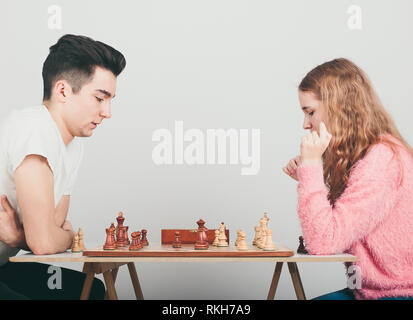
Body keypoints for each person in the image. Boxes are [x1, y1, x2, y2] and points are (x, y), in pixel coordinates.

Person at [0, 34, 126, 299]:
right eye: (100, 98)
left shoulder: (72, 145)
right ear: (62, 91)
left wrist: (19, 238)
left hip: (3, 266)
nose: (107, 112)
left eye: (110, 100)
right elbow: (46, 241)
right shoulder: (34, 129)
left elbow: (52, 227)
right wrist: (66, 237)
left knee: (90, 291)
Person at [283, 58, 413, 300]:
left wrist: (311, 166)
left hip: (398, 295)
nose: (305, 124)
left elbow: (323, 242)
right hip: (368, 292)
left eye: (310, 112)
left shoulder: (383, 159)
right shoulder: (371, 154)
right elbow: (345, 225)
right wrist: (308, 179)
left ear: (339, 107)